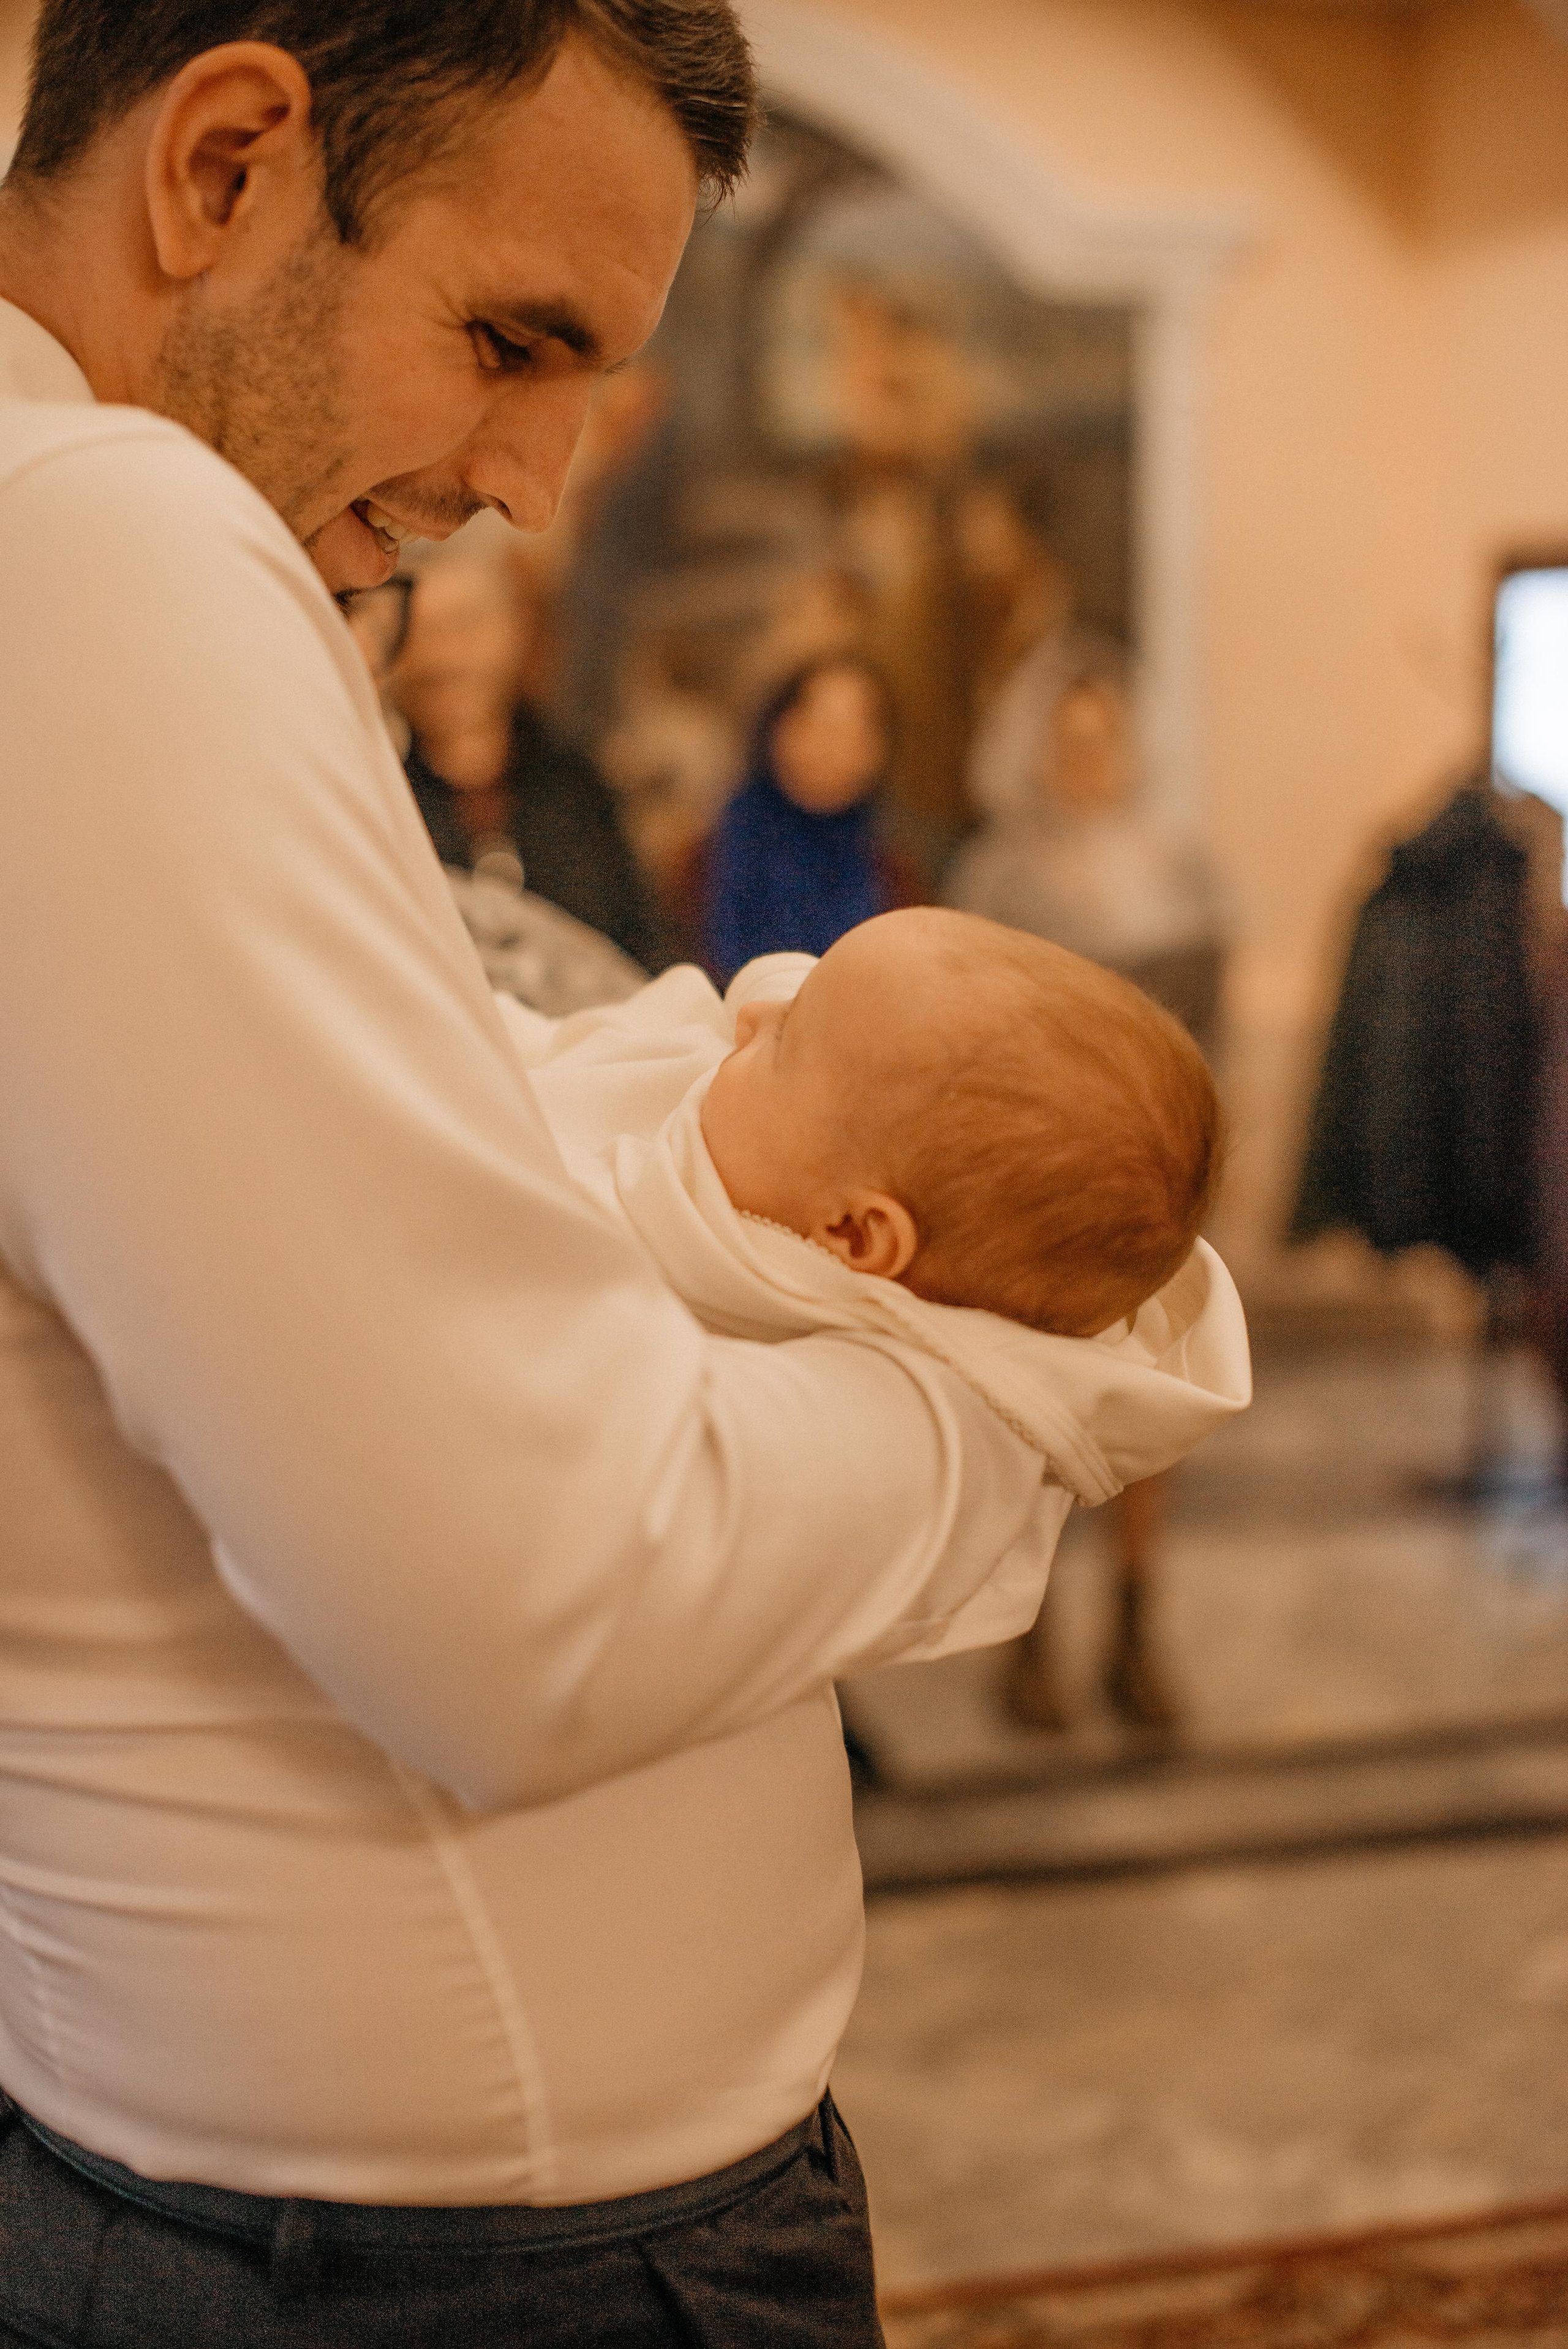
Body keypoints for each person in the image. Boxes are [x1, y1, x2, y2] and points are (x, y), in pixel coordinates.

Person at [0, 6, 1081, 2344]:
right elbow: (528, 1603)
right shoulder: (95, 539)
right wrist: (1005, 1397)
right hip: (440, 2281)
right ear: (224, 165)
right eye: (511, 338)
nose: (544, 475)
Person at [507, 913, 1249, 1506]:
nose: (754, 1017)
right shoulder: (821, 1138)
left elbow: (525, 1226)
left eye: (787, 1037)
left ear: (856, 1232)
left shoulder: (739, 1269)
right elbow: (805, 992)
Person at [945, 643, 1231, 1733]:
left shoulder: (1181, 863)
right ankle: (1030, 1640)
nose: (1088, 760)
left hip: (1150, 1167)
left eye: (1103, 740)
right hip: (1034, 1175)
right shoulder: (999, 873)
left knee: (1153, 1408)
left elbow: (1211, 1014)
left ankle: (1134, 1627)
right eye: (1069, 743)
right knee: (1041, 1410)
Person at [394, 557, 673, 971]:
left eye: (464, 626)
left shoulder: (576, 780)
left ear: (514, 633)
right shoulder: (379, 787)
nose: (444, 655)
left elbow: (645, 942)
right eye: (415, 632)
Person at [699, 655, 909, 984]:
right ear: (781, 730)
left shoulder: (889, 859)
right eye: (828, 726)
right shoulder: (730, 845)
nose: (846, 746)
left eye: (863, 730)